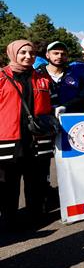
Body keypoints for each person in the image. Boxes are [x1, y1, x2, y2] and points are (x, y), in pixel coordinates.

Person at [0, 40, 55, 230]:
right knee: (8, 184)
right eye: (23, 52)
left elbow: (50, 106)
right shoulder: (1, 77)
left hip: (37, 138)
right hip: (9, 139)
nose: (27, 56)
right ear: (13, 53)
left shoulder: (42, 79)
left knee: (37, 181)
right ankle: (9, 220)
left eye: (31, 53)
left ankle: (36, 216)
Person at [38, 41, 83, 112]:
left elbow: (81, 97)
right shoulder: (37, 75)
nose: (59, 56)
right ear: (47, 55)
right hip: (44, 119)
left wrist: (66, 106)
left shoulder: (75, 75)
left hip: (69, 118)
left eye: (63, 54)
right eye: (55, 53)